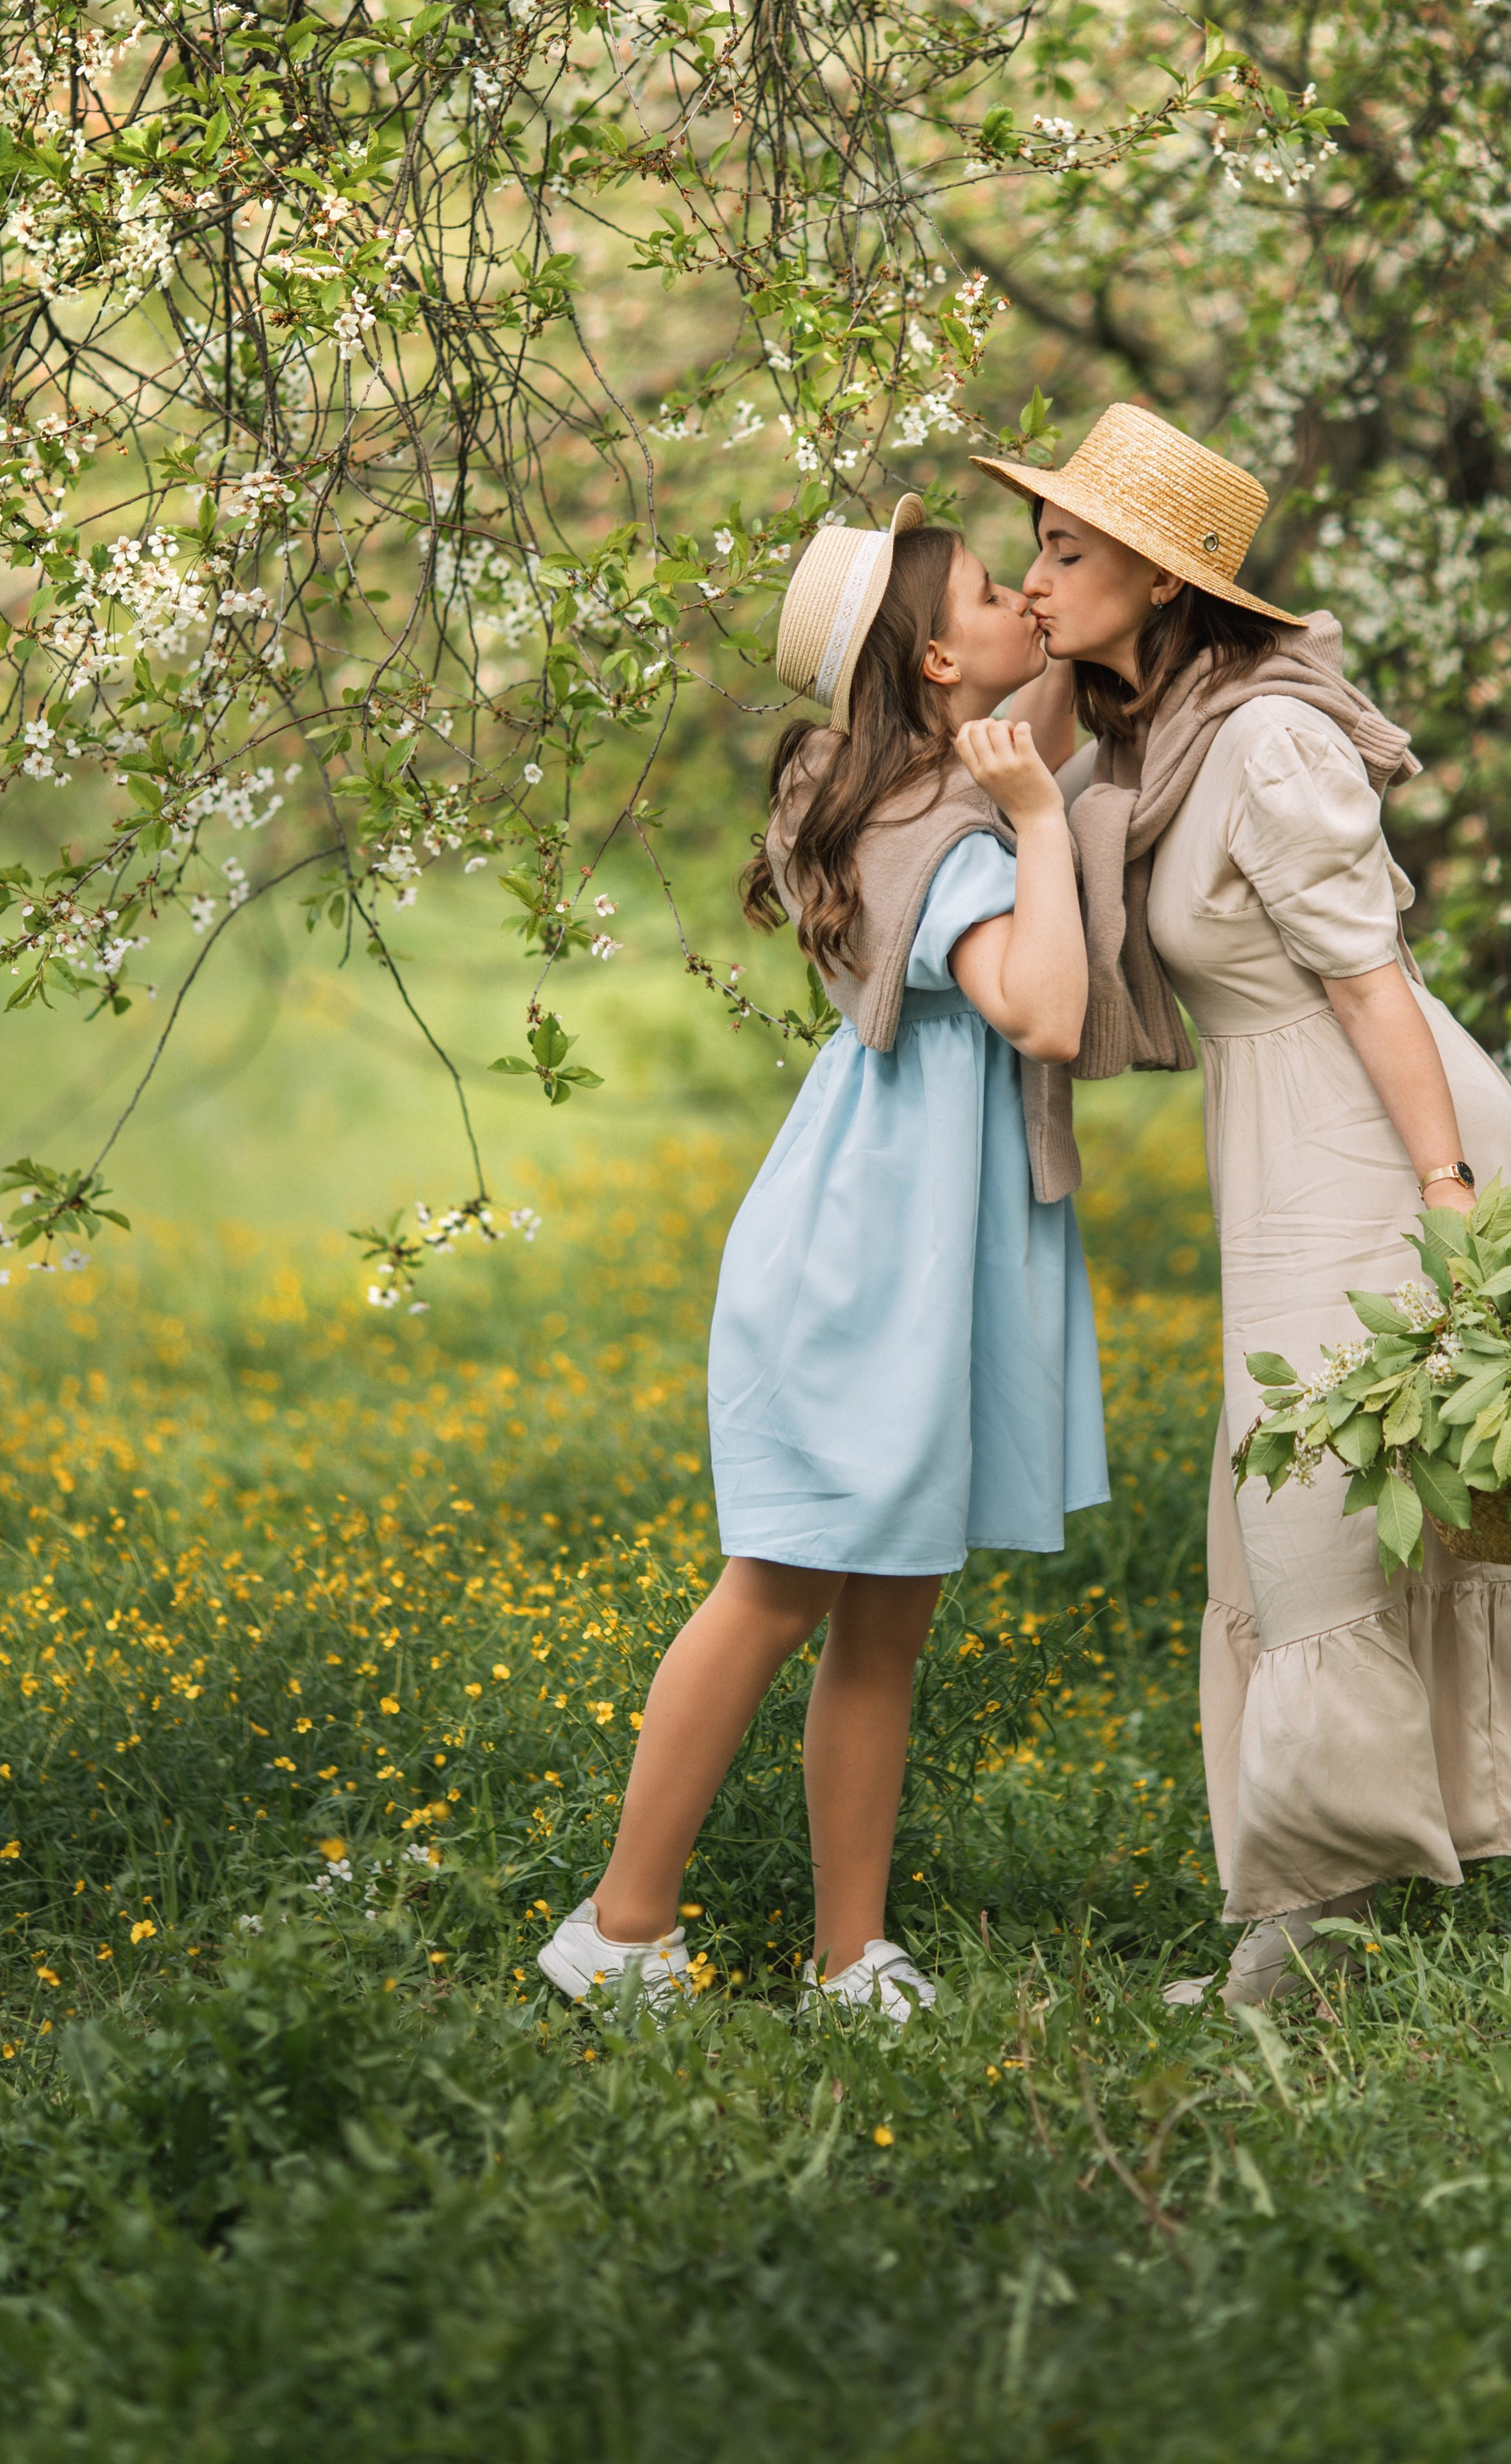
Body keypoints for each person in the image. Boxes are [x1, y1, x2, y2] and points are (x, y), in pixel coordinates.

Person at [975, 404, 1511, 2004]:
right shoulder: (1145, 745)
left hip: (1384, 1131)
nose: (1035, 575)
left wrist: (1450, 1194)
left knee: (1478, 1512)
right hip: (1283, 1140)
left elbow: (1373, 984)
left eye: (1067, 550)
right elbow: (1007, 778)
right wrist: (1041, 638)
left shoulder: (1270, 739)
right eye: (1037, 547)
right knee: (1312, 1523)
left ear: (1162, 583)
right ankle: (1326, 1903)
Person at [538, 497, 1106, 2020]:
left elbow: (1055, 672)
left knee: (887, 1613)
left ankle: (851, 1954)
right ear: (935, 658)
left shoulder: (879, 781)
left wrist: (1091, 596)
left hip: (886, 1227)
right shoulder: (953, 835)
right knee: (780, 1586)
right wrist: (1044, 821)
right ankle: (618, 1928)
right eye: (1001, 590)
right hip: (875, 1260)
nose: (1028, 605)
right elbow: (1047, 1013)